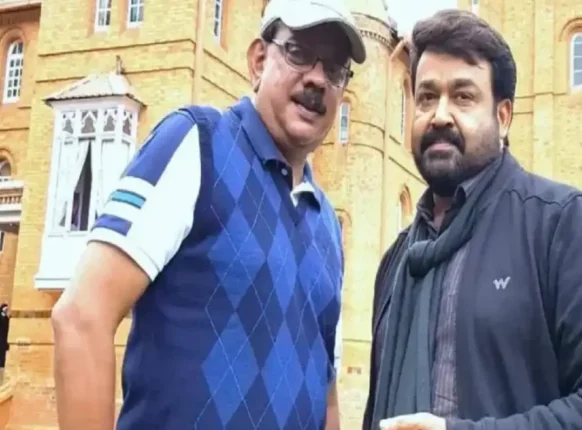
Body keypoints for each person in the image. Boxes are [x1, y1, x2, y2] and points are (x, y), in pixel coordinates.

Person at [50, 0, 366, 428]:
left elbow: (325, 393)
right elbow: (81, 315)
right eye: (298, 52)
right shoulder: (198, 143)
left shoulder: (327, 223)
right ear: (258, 60)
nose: (317, 78)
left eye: (335, 69)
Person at [363, 9, 582, 430]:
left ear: (503, 117)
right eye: (426, 97)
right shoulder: (397, 262)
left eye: (463, 96)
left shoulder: (564, 226)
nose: (440, 114)